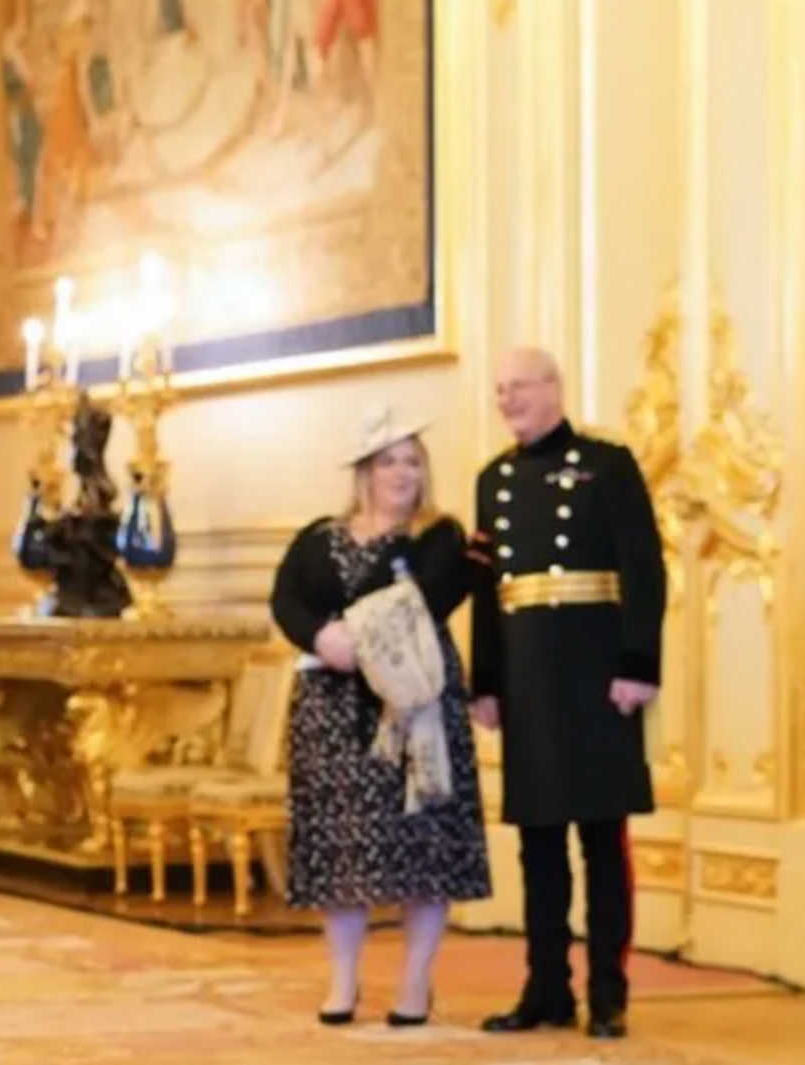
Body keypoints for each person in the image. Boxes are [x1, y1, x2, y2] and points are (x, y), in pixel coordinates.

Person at [468, 346, 667, 1041]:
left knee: (602, 843)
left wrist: (639, 663)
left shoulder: (608, 466)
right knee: (538, 844)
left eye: (519, 386)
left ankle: (608, 992)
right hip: (528, 682)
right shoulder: (491, 481)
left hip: (597, 676)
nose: (508, 399)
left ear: (554, 388)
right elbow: (489, 595)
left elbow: (643, 571)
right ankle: (545, 986)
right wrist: (485, 680)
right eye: (499, 390)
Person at [269, 407, 490, 1028]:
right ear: (364, 471)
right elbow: (285, 598)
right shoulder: (318, 536)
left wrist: (352, 636)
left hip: (411, 704)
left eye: (413, 461)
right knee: (341, 847)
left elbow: (427, 598)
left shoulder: (441, 536)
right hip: (331, 709)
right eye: (389, 460)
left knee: (421, 846)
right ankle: (342, 981)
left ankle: (415, 984)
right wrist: (319, 636)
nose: (403, 473)